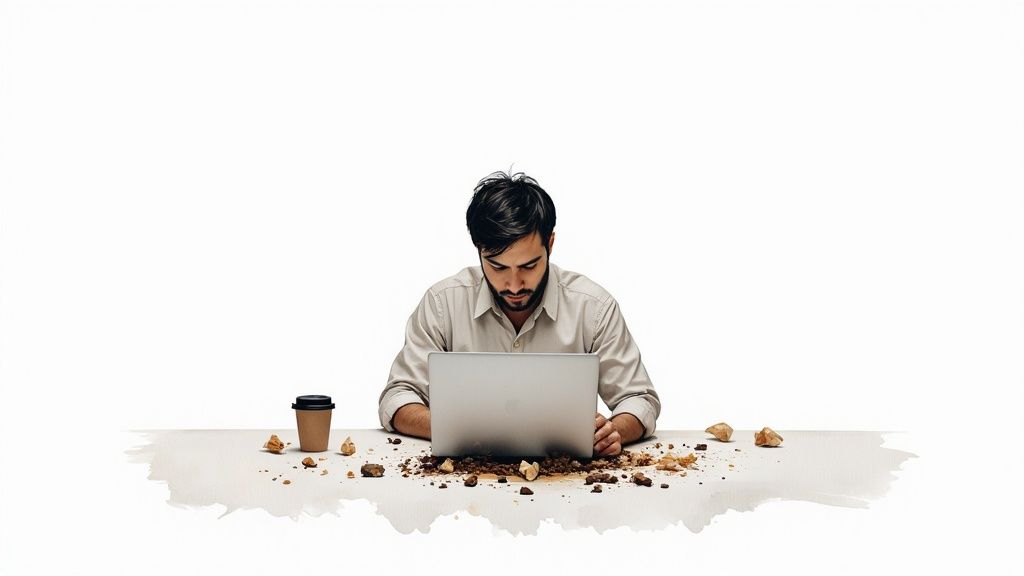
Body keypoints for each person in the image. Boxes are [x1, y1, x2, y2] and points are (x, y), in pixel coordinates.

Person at [377, 171, 661, 456]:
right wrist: (455, 428)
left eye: (528, 266)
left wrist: (613, 431)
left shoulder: (594, 307)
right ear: (479, 250)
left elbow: (639, 400)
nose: (514, 285)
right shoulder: (442, 304)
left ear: (550, 245)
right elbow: (398, 397)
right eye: (498, 267)